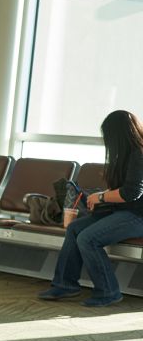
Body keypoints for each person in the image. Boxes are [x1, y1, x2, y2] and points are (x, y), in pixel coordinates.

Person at [37, 109, 143, 307]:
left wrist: (100, 196)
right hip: (123, 210)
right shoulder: (128, 154)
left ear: (118, 135)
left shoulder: (139, 155)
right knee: (75, 229)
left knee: (88, 238)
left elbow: (131, 193)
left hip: (137, 216)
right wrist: (101, 199)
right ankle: (65, 285)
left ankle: (108, 291)